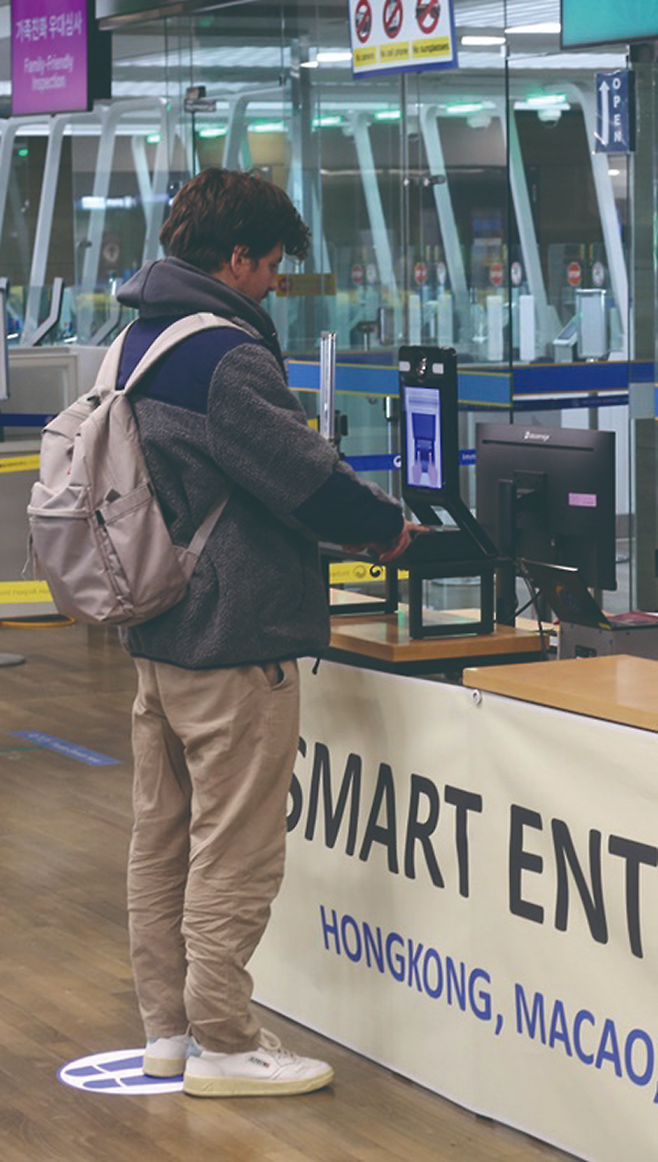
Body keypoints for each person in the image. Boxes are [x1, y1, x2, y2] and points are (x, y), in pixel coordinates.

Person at [115, 167, 413, 1098]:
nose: (276, 281)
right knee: (234, 853)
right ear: (235, 256)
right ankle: (230, 1044)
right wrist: (388, 526)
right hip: (231, 639)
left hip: (158, 633)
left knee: (161, 842)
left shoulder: (138, 336)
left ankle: (168, 1033)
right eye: (273, 263)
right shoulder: (225, 357)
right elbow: (305, 478)